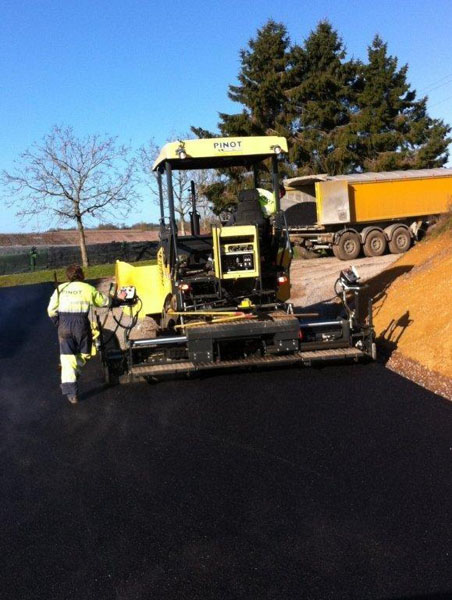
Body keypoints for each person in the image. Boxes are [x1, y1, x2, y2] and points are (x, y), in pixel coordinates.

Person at [47, 264, 110, 404]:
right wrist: (116, 300)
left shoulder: (61, 289)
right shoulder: (87, 288)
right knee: (85, 353)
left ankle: (71, 393)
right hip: (81, 325)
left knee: (67, 360)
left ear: (68, 277)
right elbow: (103, 301)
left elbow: (51, 310)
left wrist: (59, 323)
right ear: (82, 276)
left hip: (64, 325)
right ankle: (75, 372)